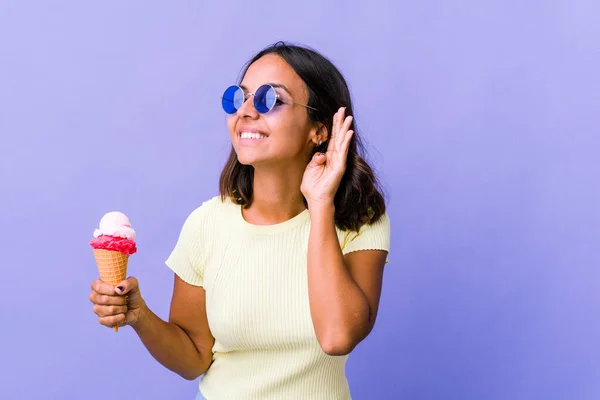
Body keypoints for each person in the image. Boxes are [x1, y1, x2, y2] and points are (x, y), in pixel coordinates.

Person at [89, 42, 391, 400]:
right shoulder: (206, 224)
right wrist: (138, 314)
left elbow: (337, 337)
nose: (245, 112)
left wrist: (321, 202)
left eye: (269, 100)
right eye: (240, 98)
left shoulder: (359, 220)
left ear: (320, 130)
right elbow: (194, 358)